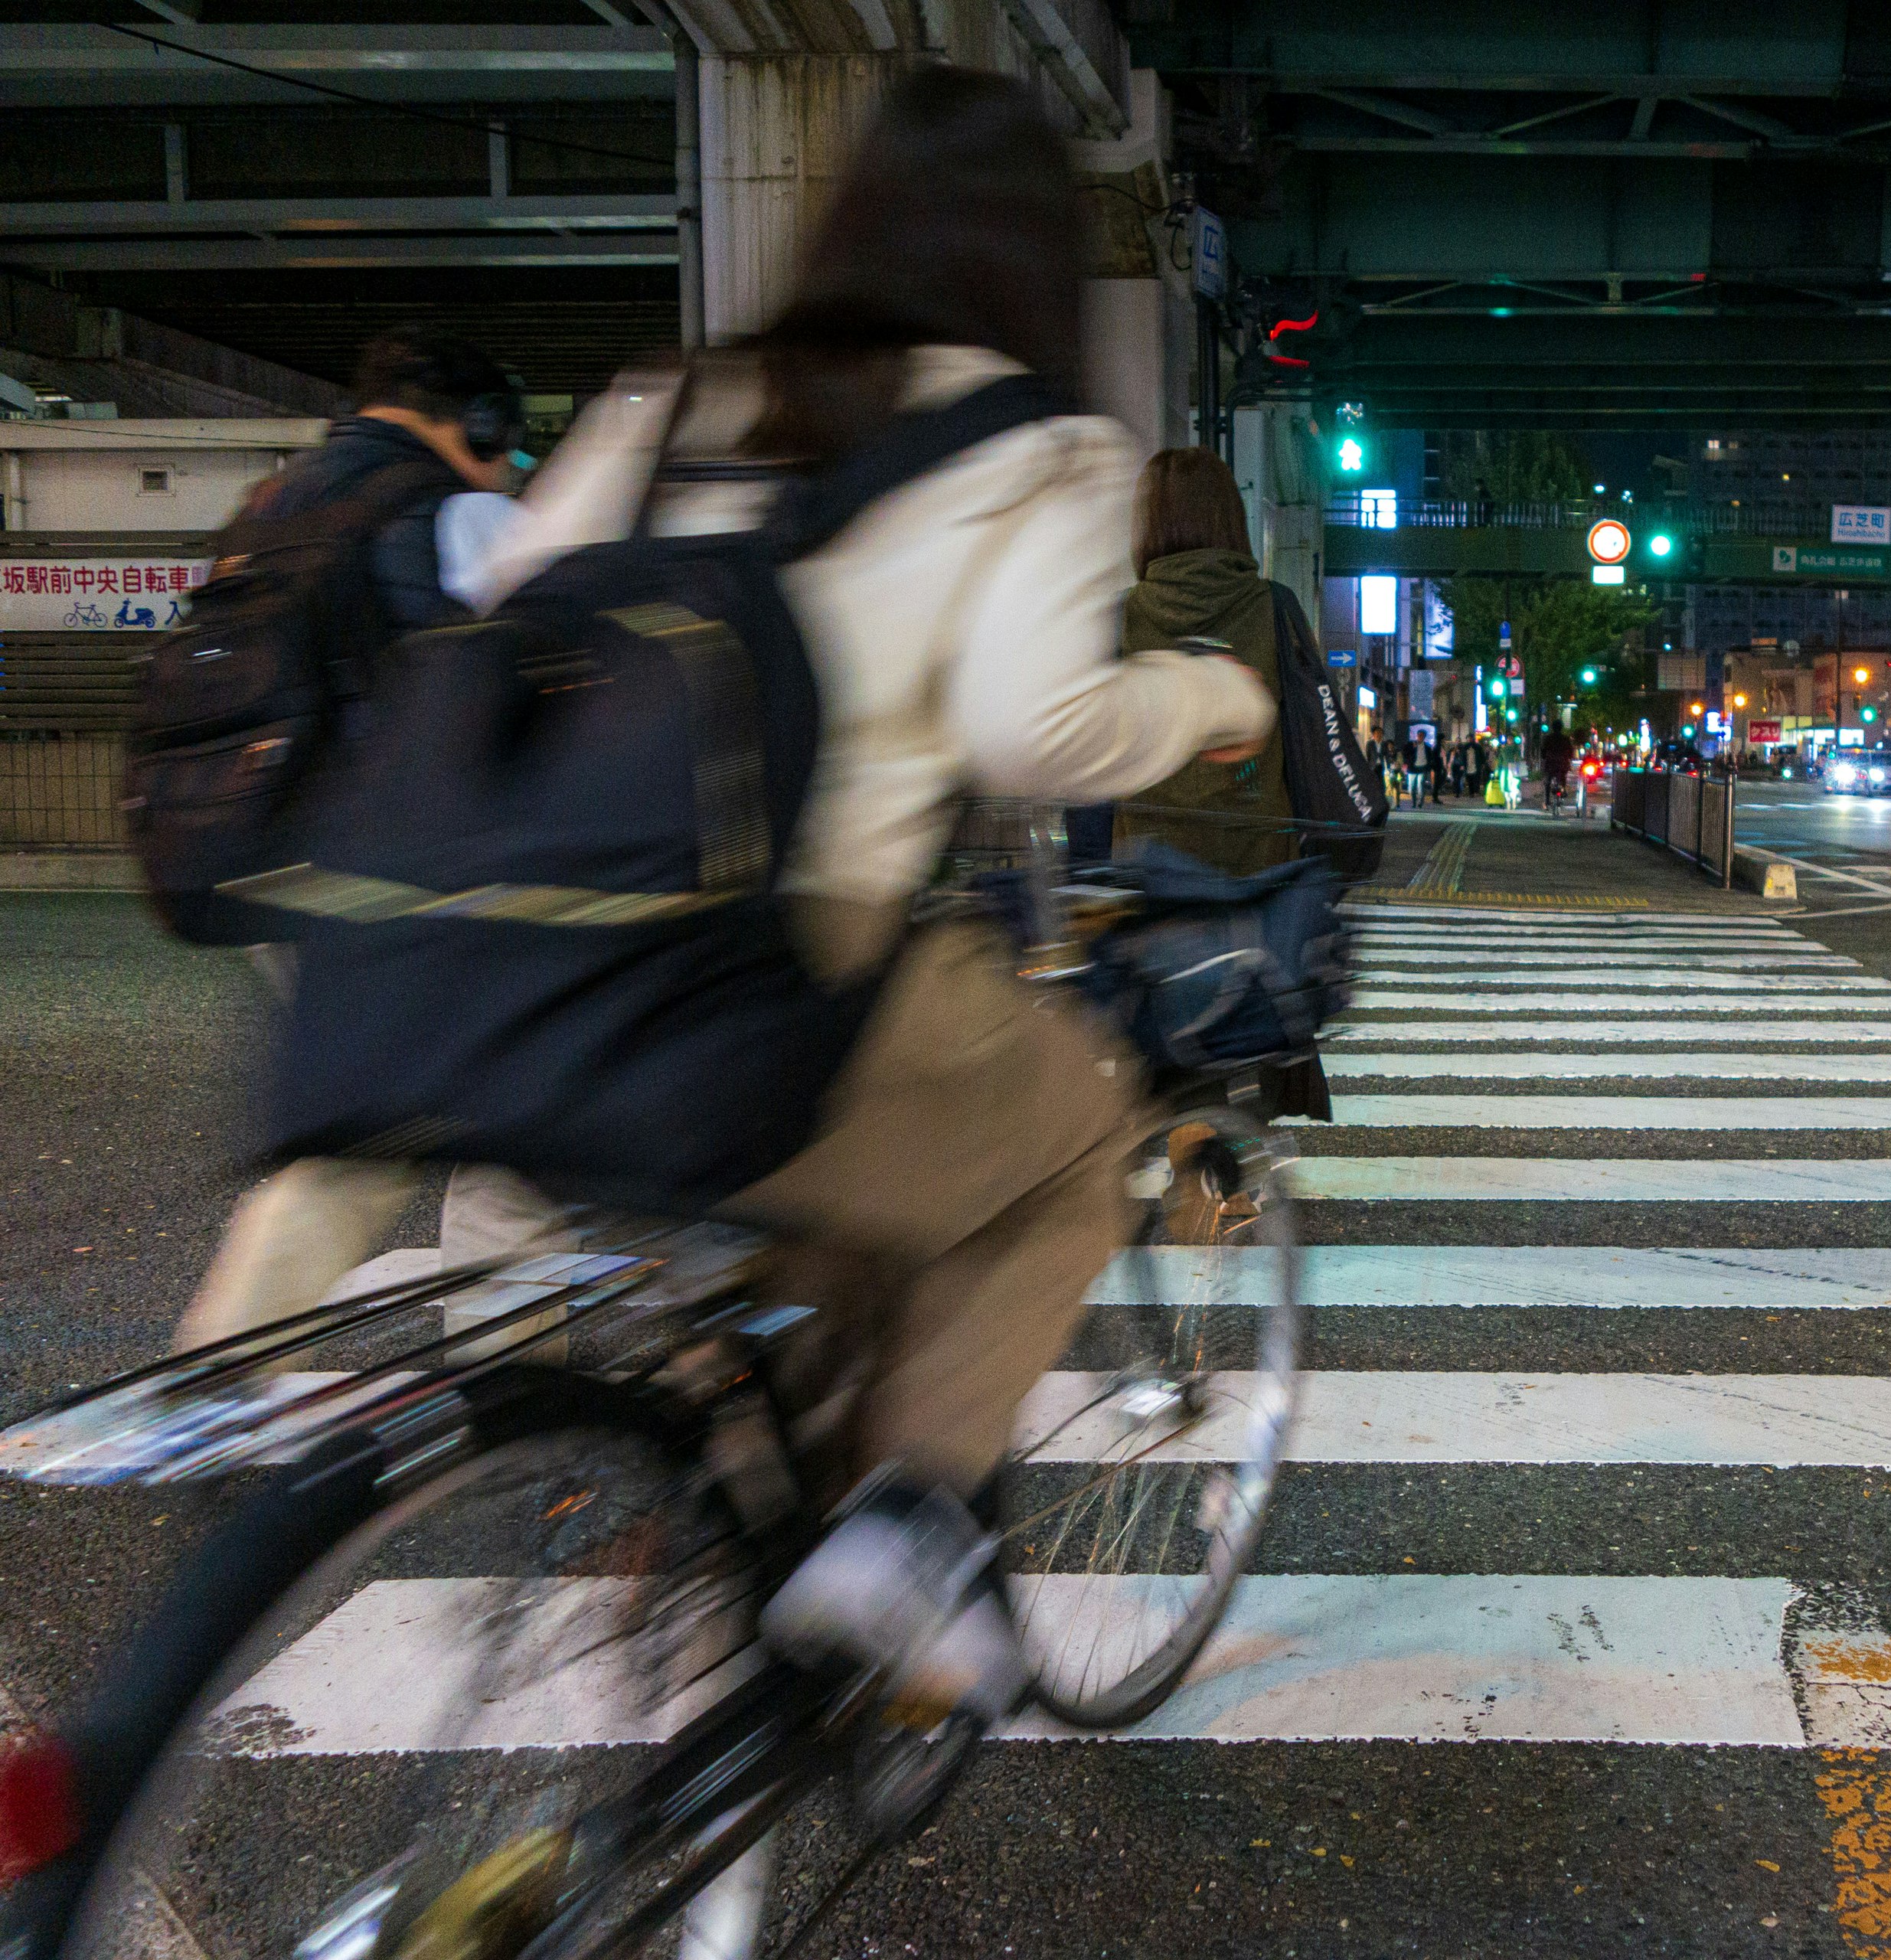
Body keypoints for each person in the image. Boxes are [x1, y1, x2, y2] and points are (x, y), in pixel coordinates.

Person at [201, 68, 1278, 1727]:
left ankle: (692, 1508)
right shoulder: (1041, 444)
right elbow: (1034, 728)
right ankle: (910, 1528)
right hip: (771, 958)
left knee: (827, 1220)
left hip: (524, 941)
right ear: (1034, 255)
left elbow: (504, 596)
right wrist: (1208, 697)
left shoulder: (680, 393)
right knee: (1067, 1134)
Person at [178, 327, 566, 1352]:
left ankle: (227, 1356)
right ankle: (513, 1381)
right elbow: (544, 667)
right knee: (516, 1129)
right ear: (479, 424)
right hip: (404, 875)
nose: (509, 468)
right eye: (510, 448)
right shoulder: (457, 511)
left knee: (369, 1131)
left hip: (268, 860)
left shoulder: (269, 507)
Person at [1111, 447, 1294, 877]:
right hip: (1260, 867)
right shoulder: (1276, 607)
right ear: (1232, 519)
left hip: (1146, 868)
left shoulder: (1120, 617)